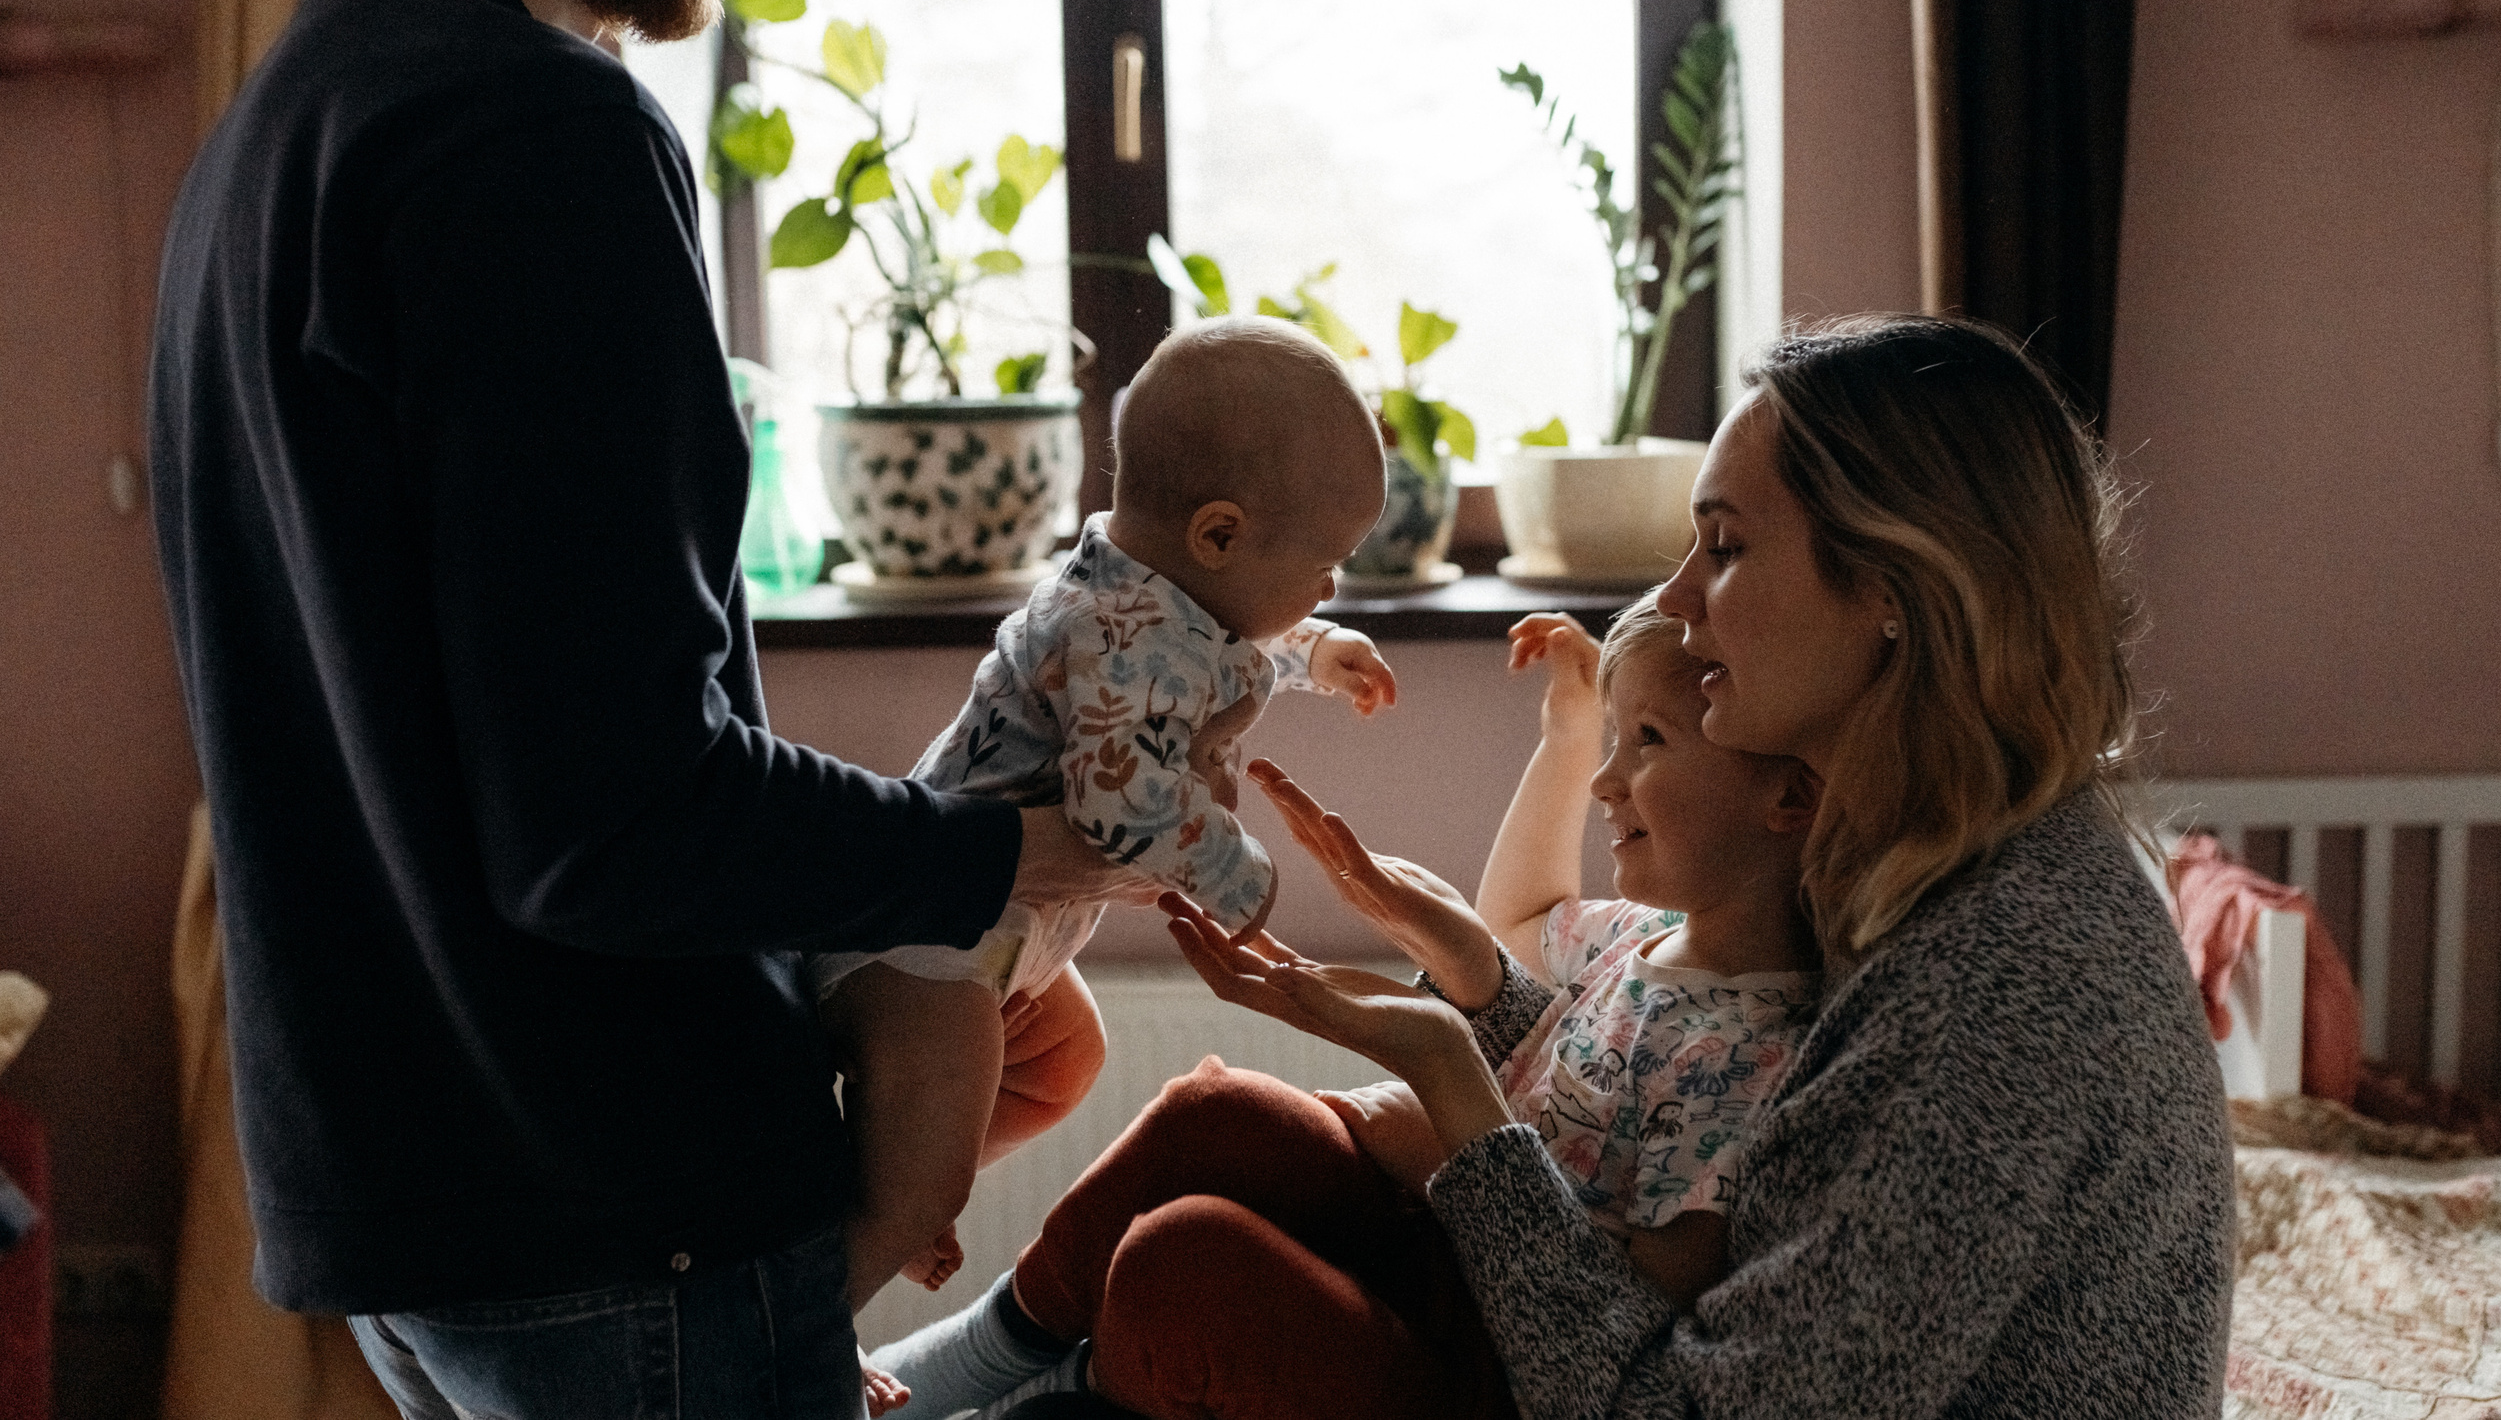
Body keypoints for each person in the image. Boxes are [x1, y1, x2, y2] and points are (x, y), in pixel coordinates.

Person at [147, 0, 1143, 1414]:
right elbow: (612, 815)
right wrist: (1001, 860)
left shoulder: (271, 132)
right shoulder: (538, 134)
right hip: (621, 1217)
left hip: (413, 1225)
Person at [1166, 315, 2235, 1419]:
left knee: (1198, 1272)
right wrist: (1487, 1007)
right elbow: (1687, 1090)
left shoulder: (2001, 984)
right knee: (1221, 1174)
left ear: (1891, 591)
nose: (1674, 599)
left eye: (1723, 549)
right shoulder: (1935, 864)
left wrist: (1461, 1114)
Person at [876, 591, 1824, 1419]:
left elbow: (1640, 1308)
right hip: (1442, 1245)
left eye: (1648, 741)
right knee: (1213, 1114)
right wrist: (1566, 738)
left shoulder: (1774, 1059)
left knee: (1186, 1263)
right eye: (1617, 743)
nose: (1609, 780)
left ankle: (1052, 1401)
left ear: (1790, 795)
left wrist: (1449, 1144)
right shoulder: (1635, 932)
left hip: (1499, 1365)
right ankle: (978, 1359)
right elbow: (1524, 931)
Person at [819, 318, 1400, 1319]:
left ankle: (895, 1172)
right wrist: (1237, 880)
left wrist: (1313, 648)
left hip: (997, 934)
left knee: (1063, 1063)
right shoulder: (1116, 631)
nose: (1329, 584)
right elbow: (1116, 798)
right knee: (918, 1194)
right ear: (1217, 533)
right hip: (933, 942)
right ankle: (810, 1329)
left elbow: (1225, 635)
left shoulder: (1150, 592)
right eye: (1325, 566)